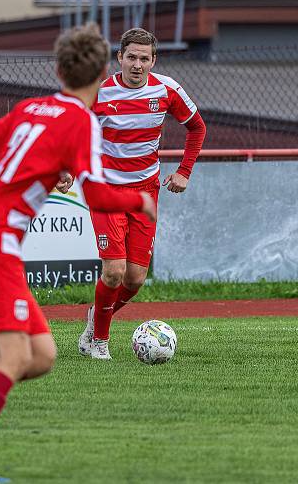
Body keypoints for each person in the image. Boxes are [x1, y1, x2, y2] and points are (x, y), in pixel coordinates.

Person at [0, 24, 156, 482]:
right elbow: (98, 196)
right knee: (14, 357)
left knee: (39, 356)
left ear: (58, 70)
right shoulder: (81, 121)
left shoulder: (30, 108)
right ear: (103, 74)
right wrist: (138, 201)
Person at [68, 27, 207, 360]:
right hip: (106, 189)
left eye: (144, 59)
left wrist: (185, 171)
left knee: (135, 278)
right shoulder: (99, 92)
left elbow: (197, 127)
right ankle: (98, 342)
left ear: (153, 60)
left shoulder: (167, 89)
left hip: (145, 192)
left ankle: (95, 318)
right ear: (119, 58)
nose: (137, 65)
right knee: (114, 270)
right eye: (131, 57)